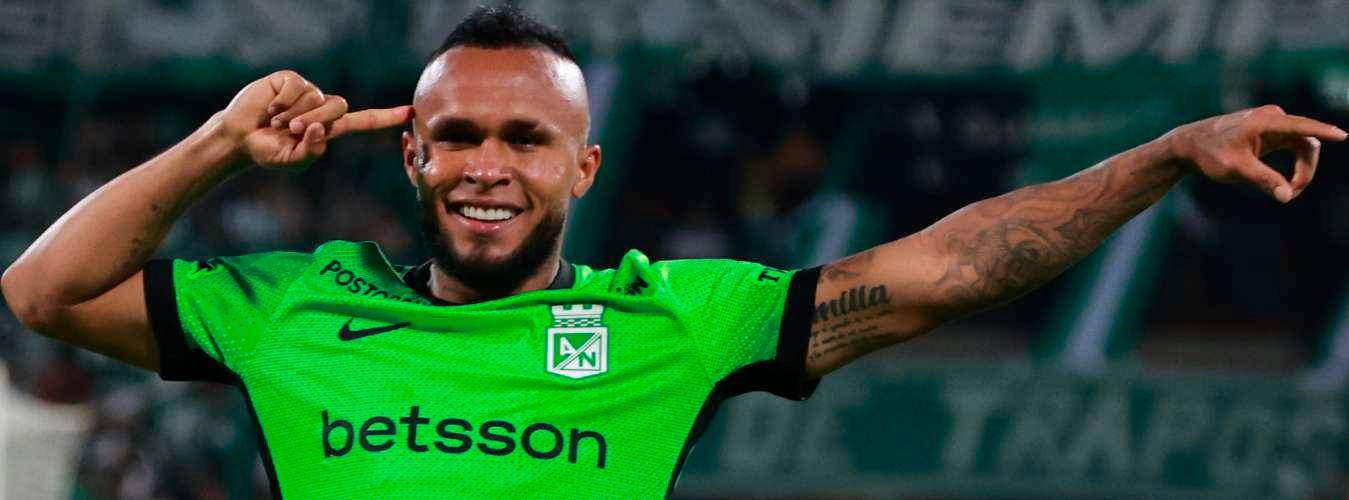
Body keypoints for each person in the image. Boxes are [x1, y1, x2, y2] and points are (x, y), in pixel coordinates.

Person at [2, 5, 1344, 499]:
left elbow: (949, 270)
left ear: (582, 168)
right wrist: (219, 146)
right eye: (453, 135)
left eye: (525, 139)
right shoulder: (292, 305)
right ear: (410, 155)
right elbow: (43, 293)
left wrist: (1161, 155)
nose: (485, 165)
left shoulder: (678, 317)